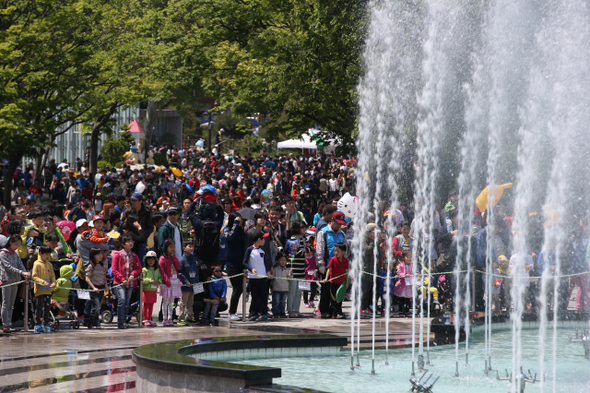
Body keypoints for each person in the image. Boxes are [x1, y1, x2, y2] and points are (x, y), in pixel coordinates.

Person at [315, 211, 347, 318]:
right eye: (337, 223)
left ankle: (337, 310)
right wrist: (321, 265)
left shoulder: (342, 234)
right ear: (332, 220)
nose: (339, 226)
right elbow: (320, 250)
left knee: (338, 290)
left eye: (341, 224)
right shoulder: (323, 232)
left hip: (340, 268)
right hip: (328, 267)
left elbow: (346, 251)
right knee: (326, 290)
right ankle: (325, 310)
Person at [1, 236, 31, 333]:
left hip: (15, 280)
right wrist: (22, 272)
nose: (17, 247)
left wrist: (25, 272)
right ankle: (5, 324)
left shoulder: (16, 254)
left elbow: (20, 264)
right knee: (6, 303)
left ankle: (9, 323)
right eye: (15, 244)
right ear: (10, 242)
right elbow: (8, 267)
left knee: (11, 303)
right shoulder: (3, 253)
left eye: (18, 245)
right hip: (6, 280)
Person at [111, 235, 142, 329]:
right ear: (123, 244)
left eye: (132, 241)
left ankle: (124, 320)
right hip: (119, 283)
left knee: (127, 302)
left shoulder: (134, 255)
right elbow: (114, 269)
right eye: (128, 241)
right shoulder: (117, 255)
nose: (131, 243)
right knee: (122, 300)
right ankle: (120, 321)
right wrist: (122, 279)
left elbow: (139, 268)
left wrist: (133, 274)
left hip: (131, 283)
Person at [243, 230, 273, 321]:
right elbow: (244, 262)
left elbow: (265, 263)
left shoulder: (263, 250)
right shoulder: (249, 250)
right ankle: (253, 313)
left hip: (263, 277)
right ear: (259, 239)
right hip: (253, 277)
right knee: (255, 296)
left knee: (264, 296)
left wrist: (268, 271)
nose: (265, 241)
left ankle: (264, 313)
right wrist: (251, 269)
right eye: (263, 239)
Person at [224, 212, 245, 321]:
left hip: (241, 264)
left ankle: (235, 311)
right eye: (238, 220)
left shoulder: (241, 232)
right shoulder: (228, 230)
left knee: (240, 289)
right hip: (232, 264)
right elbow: (230, 239)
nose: (241, 222)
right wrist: (235, 224)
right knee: (237, 289)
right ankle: (232, 312)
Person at [31, 245, 57, 333]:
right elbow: (34, 276)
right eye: (45, 254)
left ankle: (46, 323)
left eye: (49, 254)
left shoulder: (49, 264)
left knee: (47, 307)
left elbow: (52, 276)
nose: (47, 256)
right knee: (39, 307)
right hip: (39, 290)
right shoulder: (37, 263)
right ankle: (37, 324)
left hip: (48, 290)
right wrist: (43, 282)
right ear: (40, 253)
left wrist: (54, 283)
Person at [159, 238, 182, 326]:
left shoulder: (173, 258)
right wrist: (166, 280)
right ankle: (165, 318)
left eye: (174, 247)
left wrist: (174, 257)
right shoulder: (162, 258)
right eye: (171, 247)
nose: (173, 249)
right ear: (166, 247)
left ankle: (170, 317)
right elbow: (162, 271)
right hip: (167, 282)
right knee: (165, 301)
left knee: (172, 302)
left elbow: (178, 267)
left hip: (175, 281)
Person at [323, 242, 349, 319]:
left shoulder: (346, 261)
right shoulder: (333, 260)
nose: (336, 253)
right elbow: (329, 269)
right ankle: (334, 312)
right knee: (333, 299)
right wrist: (326, 278)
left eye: (338, 251)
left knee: (340, 299)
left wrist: (347, 282)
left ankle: (338, 312)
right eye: (335, 251)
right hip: (333, 283)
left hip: (341, 284)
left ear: (343, 252)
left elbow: (347, 272)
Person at [85, 247, 108, 329]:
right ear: (93, 255)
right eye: (98, 254)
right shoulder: (91, 266)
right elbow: (87, 278)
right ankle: (91, 322)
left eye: (101, 254)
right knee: (96, 306)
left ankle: (96, 322)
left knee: (99, 307)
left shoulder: (102, 266)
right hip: (94, 288)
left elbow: (104, 277)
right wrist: (93, 287)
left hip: (101, 288)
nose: (100, 256)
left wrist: (106, 286)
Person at [178, 241, 199, 325]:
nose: (191, 248)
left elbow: (196, 271)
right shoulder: (182, 260)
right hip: (185, 286)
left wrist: (197, 282)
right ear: (184, 248)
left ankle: (189, 317)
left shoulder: (193, 259)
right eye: (189, 246)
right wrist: (186, 281)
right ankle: (181, 318)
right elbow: (179, 273)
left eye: (192, 246)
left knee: (190, 303)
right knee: (183, 302)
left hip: (193, 285)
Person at [142, 251, 162, 326]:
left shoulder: (157, 269)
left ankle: (149, 319)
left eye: (152, 259)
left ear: (155, 260)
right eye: (149, 259)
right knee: (146, 305)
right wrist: (150, 281)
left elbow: (160, 278)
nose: (151, 261)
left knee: (151, 305)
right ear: (146, 260)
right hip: (146, 290)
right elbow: (142, 279)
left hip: (153, 290)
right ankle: (145, 319)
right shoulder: (144, 269)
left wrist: (158, 282)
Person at [394, 251, 415, 317]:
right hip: (402, 285)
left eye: (410, 257)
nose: (409, 259)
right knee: (401, 299)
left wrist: (416, 273)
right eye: (407, 257)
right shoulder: (400, 265)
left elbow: (415, 271)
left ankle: (407, 311)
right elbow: (399, 273)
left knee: (408, 299)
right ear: (403, 258)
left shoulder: (412, 265)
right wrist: (405, 274)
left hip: (409, 285)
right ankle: (400, 311)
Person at [271, 253, 290, 318]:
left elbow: (290, 279)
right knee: (276, 301)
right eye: (281, 260)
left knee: (283, 302)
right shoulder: (275, 269)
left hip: (285, 289)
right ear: (277, 261)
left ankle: (282, 312)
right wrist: (271, 286)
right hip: (276, 288)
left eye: (284, 260)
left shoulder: (287, 270)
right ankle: (275, 312)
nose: (283, 262)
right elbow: (272, 278)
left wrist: (290, 274)